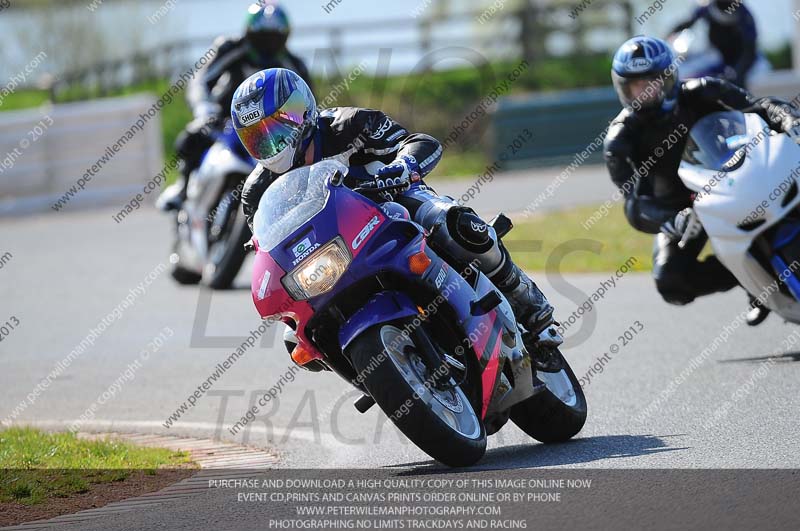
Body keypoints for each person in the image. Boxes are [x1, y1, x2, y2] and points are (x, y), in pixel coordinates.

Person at [232, 68, 561, 347]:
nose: (269, 142)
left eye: (276, 128)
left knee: (453, 224)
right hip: (332, 249)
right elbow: (267, 248)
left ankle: (528, 302)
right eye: (256, 136)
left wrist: (403, 166)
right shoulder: (256, 191)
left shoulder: (349, 125)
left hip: (394, 205)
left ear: (300, 112)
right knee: (297, 340)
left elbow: (420, 143)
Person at [604, 36, 800, 326]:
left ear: (668, 78)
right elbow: (634, 205)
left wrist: (789, 119)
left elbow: (760, 107)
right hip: (684, 210)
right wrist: (669, 218)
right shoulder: (620, 139)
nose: (644, 93)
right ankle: (751, 281)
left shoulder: (704, 91)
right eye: (635, 86)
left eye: (651, 83)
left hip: (734, 178)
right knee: (670, 281)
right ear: (622, 88)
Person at [158, 2, 312, 211]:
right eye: (261, 38)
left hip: (270, 128)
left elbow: (308, 105)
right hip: (223, 118)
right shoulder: (229, 48)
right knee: (191, 138)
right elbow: (199, 80)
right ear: (248, 33)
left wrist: (296, 127)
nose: (267, 45)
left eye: (274, 38)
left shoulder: (294, 64)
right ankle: (182, 188)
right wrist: (204, 107)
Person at [671, 0, 757, 88]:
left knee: (736, 83)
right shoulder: (707, 8)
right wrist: (669, 35)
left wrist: (738, 72)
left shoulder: (744, 16)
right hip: (717, 57)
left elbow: (750, 51)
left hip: (738, 59)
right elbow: (689, 22)